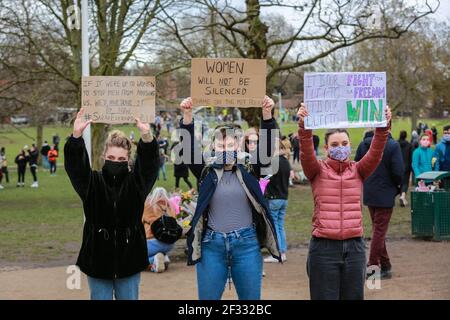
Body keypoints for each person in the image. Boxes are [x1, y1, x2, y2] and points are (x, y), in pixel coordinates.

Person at [179, 96, 280, 300]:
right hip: (211, 246)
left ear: (238, 146)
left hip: (247, 245)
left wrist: (267, 115)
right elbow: (189, 150)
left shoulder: (251, 168)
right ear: (214, 147)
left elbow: (267, 148)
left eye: (230, 144)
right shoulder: (205, 171)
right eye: (221, 145)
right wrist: (187, 117)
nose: (226, 149)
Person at [297, 103, 391, 300]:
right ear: (326, 148)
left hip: (355, 248)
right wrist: (304, 125)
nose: (340, 147)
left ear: (350, 145)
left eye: (344, 143)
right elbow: (306, 152)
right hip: (323, 249)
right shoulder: (316, 170)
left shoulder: (358, 170)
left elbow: (376, 152)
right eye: (334, 144)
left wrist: (383, 126)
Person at [64, 107, 159, 300]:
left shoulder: (136, 184)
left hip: (130, 258)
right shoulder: (92, 183)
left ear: (128, 160)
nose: (116, 162)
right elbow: (76, 168)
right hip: (97, 259)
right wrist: (76, 137)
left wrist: (146, 136)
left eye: (122, 159)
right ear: (103, 157)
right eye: (112, 158)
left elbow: (149, 167)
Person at [355, 129, 404, 280]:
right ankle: (373, 266)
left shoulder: (363, 145)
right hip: (386, 192)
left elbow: (357, 166)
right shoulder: (392, 145)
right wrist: (398, 187)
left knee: (378, 230)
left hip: (370, 192)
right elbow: (398, 171)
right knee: (378, 232)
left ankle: (386, 265)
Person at [263, 138, 292, 263]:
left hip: (274, 198)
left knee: (275, 226)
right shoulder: (286, 162)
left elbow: (265, 179)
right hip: (284, 197)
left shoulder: (273, 162)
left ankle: (278, 253)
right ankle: (282, 251)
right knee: (280, 225)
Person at [142, 187, 177, 273]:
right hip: (170, 242)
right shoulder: (169, 206)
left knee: (136, 258)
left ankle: (154, 260)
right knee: (159, 250)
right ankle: (163, 257)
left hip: (152, 242)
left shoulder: (148, 204)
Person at [397, 131, 413, 206]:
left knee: (398, 182)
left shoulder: (396, 144)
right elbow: (411, 157)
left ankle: (400, 195)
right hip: (406, 166)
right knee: (405, 182)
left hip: (397, 165)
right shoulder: (409, 145)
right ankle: (402, 196)